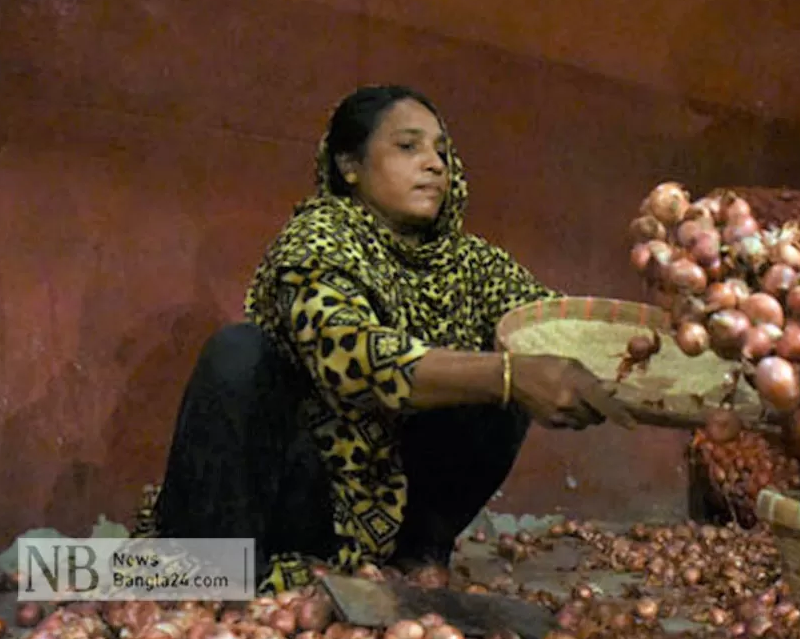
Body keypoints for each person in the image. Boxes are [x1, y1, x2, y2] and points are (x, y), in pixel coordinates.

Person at [135, 85, 634, 594]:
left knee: (520, 346)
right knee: (238, 353)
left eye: (441, 150)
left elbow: (559, 330)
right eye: (408, 147)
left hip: (379, 512)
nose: (434, 164)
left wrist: (696, 374)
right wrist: (508, 376)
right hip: (293, 495)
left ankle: (415, 557)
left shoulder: (472, 264)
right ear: (350, 165)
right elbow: (351, 357)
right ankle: (218, 579)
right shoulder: (316, 241)